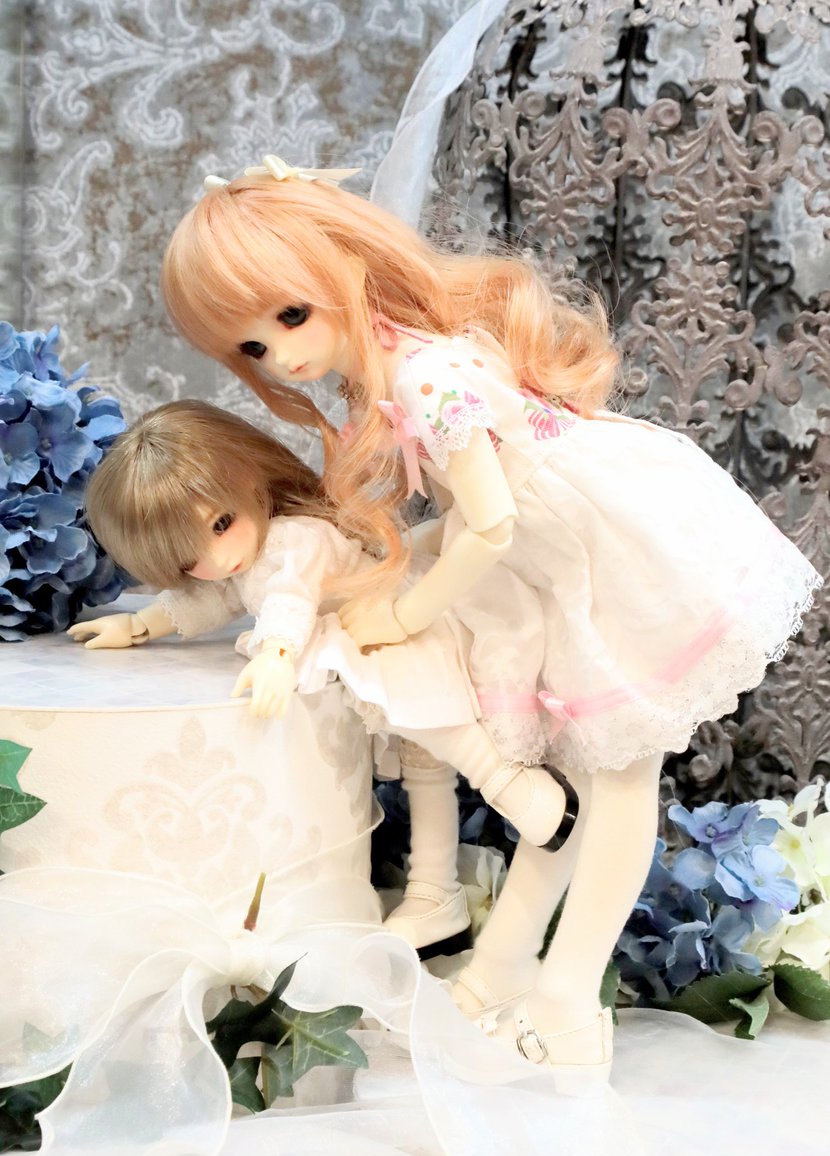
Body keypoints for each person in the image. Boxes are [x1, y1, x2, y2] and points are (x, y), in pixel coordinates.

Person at [158, 155, 822, 1088]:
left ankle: (568, 1006)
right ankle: (504, 968)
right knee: (568, 784)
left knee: (618, 781)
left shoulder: (424, 374)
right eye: (253, 349)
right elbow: (480, 517)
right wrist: (390, 582)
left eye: (291, 316)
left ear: (345, 262)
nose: (283, 357)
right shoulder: (396, 368)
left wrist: (406, 609)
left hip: (605, 551)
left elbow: (495, 521)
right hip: (551, 563)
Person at [69, 399, 577, 961]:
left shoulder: (293, 540)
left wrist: (278, 654)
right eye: (190, 559)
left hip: (397, 629)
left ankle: (510, 783)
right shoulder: (244, 561)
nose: (216, 558)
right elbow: (209, 600)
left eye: (220, 524)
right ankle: (435, 893)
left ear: (250, 481)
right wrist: (139, 624)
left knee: (430, 726)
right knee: (423, 767)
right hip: (377, 644)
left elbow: (290, 597)